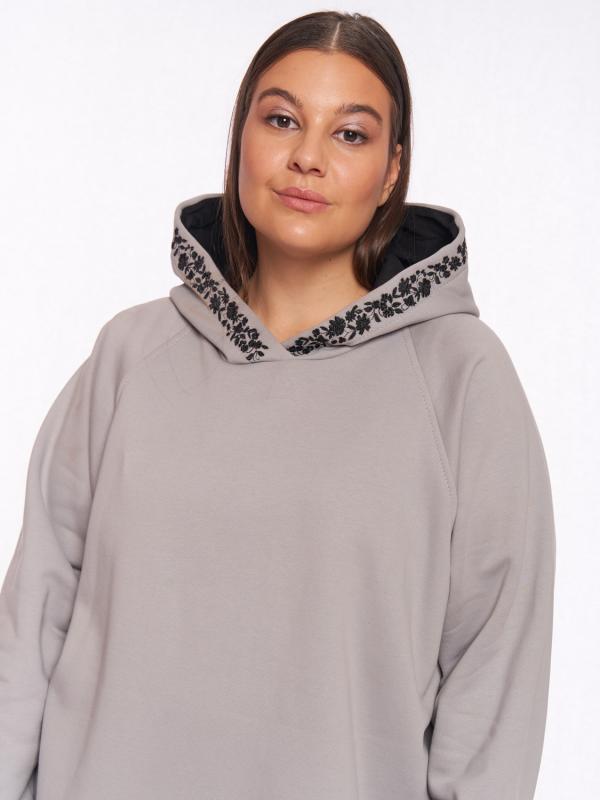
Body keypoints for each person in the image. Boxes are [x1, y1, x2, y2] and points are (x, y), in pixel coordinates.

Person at [0, 10, 556, 800]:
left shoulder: (460, 378)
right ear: (241, 138)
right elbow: (31, 622)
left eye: (350, 134)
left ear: (392, 171)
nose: (307, 158)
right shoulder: (131, 354)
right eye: (283, 119)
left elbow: (494, 675)